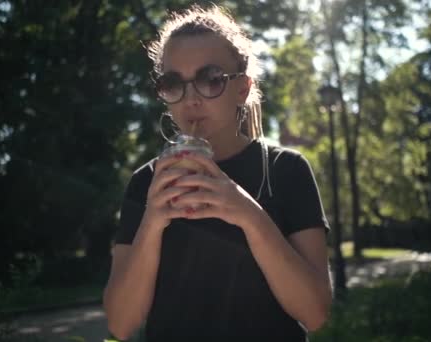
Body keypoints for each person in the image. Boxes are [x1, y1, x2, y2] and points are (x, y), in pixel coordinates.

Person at [103, 4, 332, 341]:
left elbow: (315, 314)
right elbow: (120, 324)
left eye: (210, 80)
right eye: (173, 82)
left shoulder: (285, 170)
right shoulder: (146, 183)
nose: (190, 98)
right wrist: (153, 221)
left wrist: (248, 213)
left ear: (242, 88)